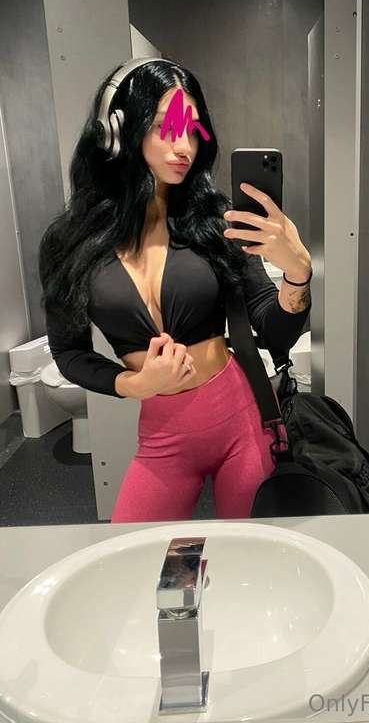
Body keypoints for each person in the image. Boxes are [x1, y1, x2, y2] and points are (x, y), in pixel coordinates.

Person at [38, 58, 312, 522]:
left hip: (240, 420)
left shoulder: (216, 220)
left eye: (193, 131)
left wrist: (298, 274)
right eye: (166, 127)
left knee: (251, 552)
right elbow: (69, 353)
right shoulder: (68, 242)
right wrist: (135, 384)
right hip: (163, 435)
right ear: (116, 130)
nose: (184, 146)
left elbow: (274, 328)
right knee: (132, 548)